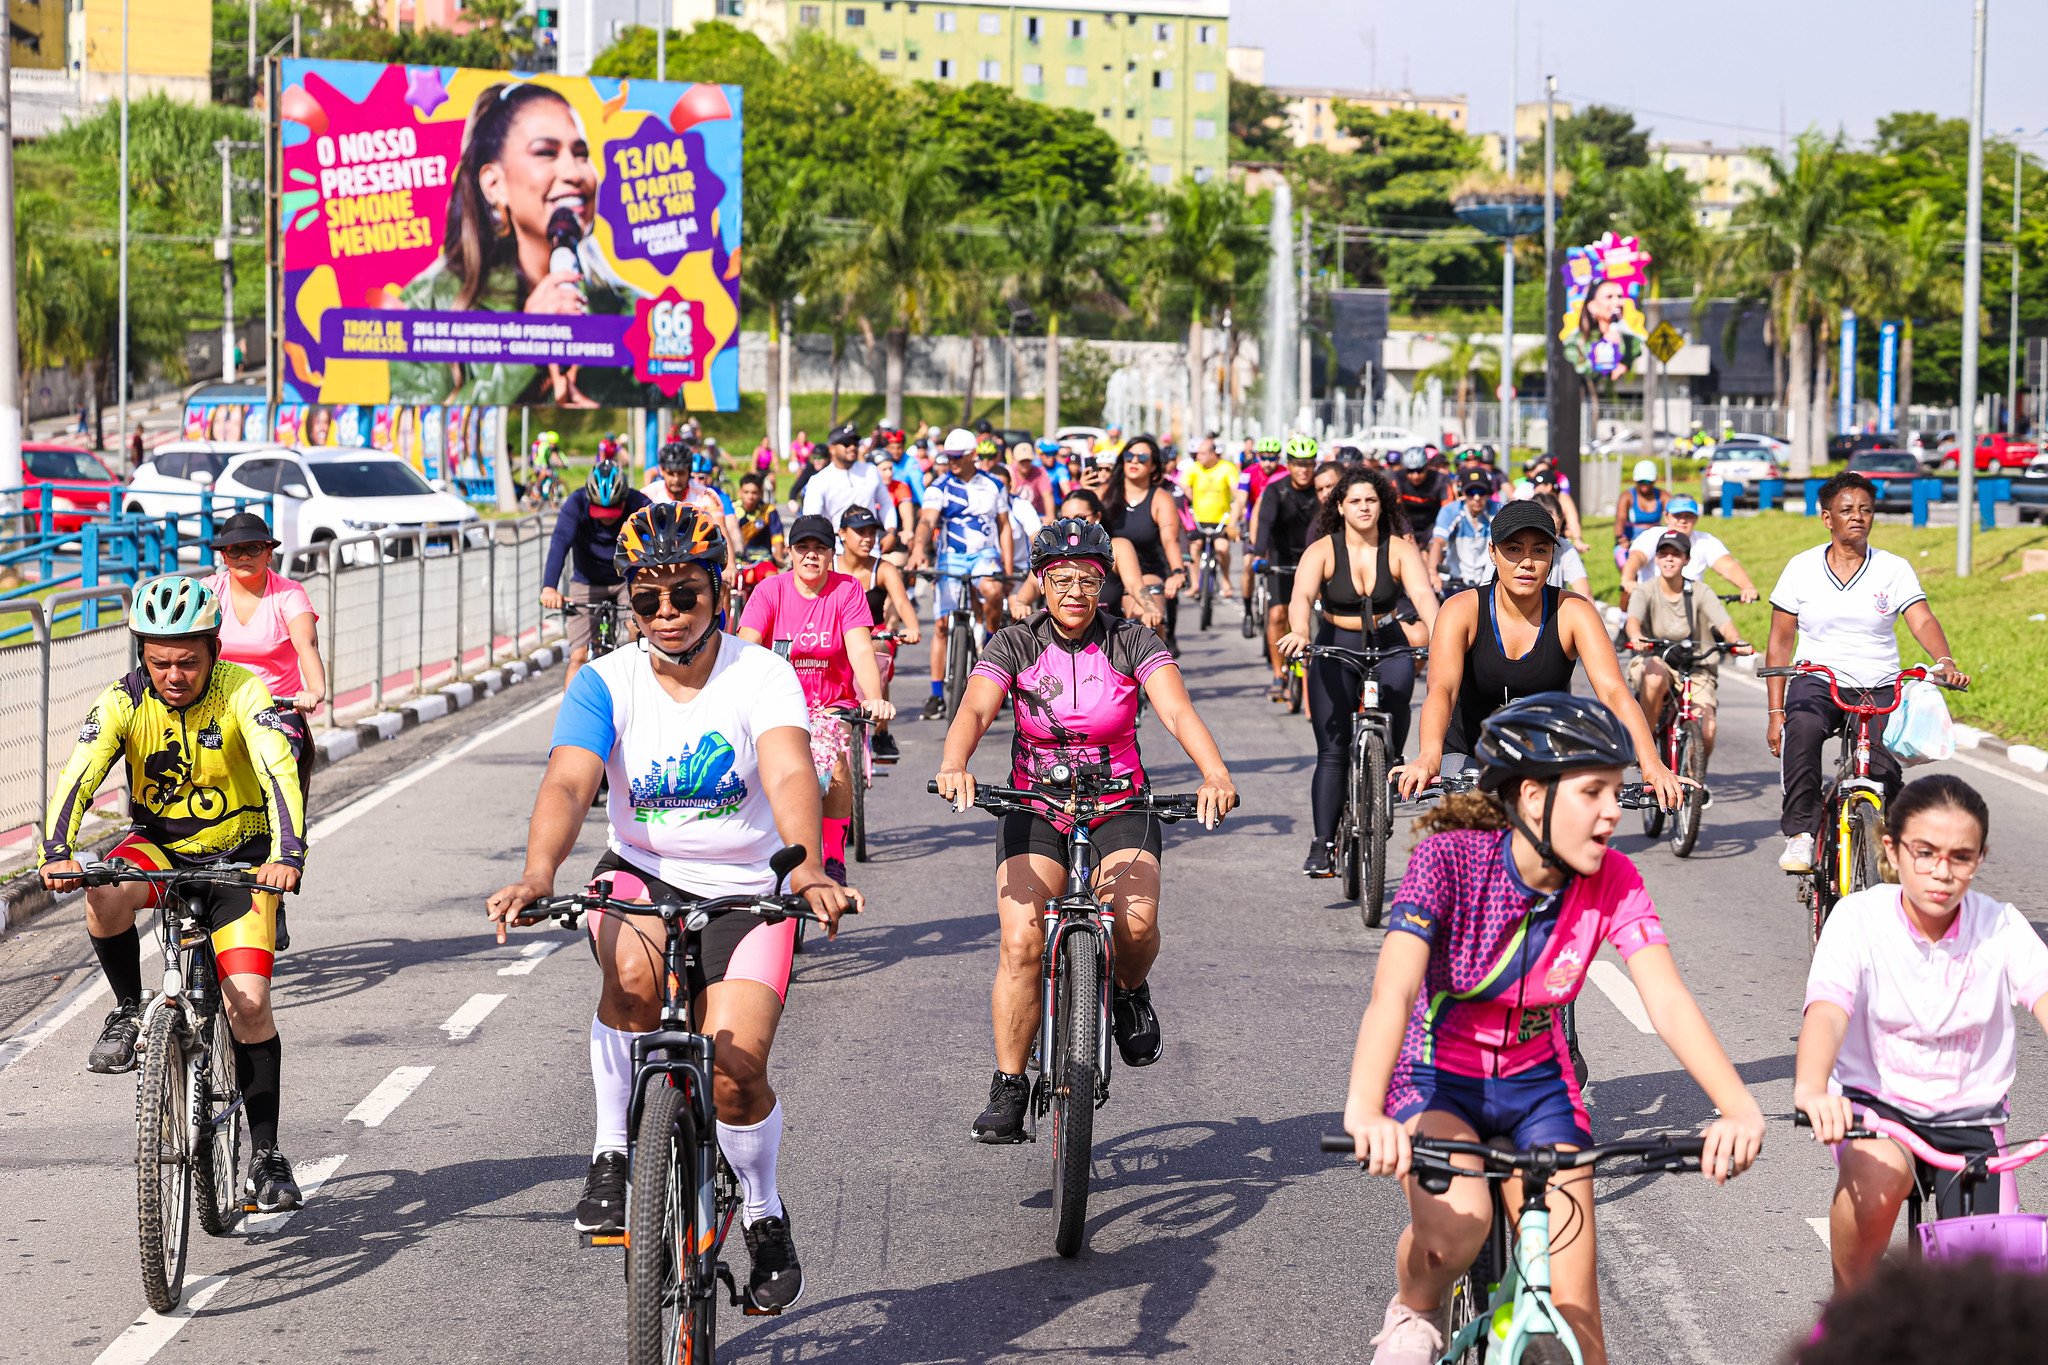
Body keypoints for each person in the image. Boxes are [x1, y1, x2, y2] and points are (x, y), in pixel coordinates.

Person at [486, 504, 859, 1311]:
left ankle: (762, 1211)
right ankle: (613, 1150)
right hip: (643, 876)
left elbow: (792, 773)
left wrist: (807, 868)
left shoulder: (761, 674)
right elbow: (568, 780)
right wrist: (537, 870)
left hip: (748, 891)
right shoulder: (605, 680)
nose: (664, 614)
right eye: (646, 599)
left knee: (736, 1074)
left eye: (683, 595)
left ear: (715, 592)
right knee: (630, 978)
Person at [1342, 694, 1764, 1365]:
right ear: (1532, 797)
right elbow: (1391, 992)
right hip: (1436, 1079)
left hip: (1540, 1087)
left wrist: (1739, 1106)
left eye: (1618, 792)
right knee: (1464, 1223)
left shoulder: (1615, 878)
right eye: (1594, 791)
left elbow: (1667, 998)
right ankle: (1415, 1309)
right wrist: (1366, 1110)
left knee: (1578, 1327)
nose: (1613, 811)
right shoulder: (1449, 862)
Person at [933, 519, 1237, 1141]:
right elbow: (977, 707)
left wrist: (1215, 774)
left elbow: (1176, 709)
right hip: (1034, 804)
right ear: (1042, 582)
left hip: (1120, 803)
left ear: (1106, 586)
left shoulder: (1132, 641)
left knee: (1135, 924)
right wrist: (953, 764)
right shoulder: (1014, 643)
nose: (1075, 590)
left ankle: (1128, 990)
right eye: (1062, 578)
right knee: (1020, 940)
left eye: (1089, 580)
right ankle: (1010, 1084)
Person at [40, 576, 308, 1210]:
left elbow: (277, 766)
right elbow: (80, 775)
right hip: (160, 847)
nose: (175, 674)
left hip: (242, 859)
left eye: (189, 660)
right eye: (159, 662)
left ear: (214, 648)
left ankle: (266, 1158)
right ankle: (131, 1010)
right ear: (142, 655)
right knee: (103, 890)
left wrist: (287, 854)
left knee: (248, 1006)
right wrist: (56, 850)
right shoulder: (122, 701)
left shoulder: (244, 691)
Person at [1792, 775, 2045, 1297]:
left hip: (1973, 1120)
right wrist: (1812, 1088)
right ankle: (1849, 1311)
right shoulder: (1859, 918)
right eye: (1924, 853)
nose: (1941, 872)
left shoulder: (2000, 925)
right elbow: (1828, 1008)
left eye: (1960, 857)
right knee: (1880, 1179)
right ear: (1893, 847)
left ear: (1979, 858)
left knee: (1992, 1283)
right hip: (1878, 1111)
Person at [1394, 499, 1686, 811]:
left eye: (1540, 550)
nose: (1527, 562)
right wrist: (1428, 756)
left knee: (1568, 838)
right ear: (1493, 553)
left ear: (1553, 557)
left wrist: (1653, 765)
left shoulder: (1574, 612)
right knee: (1462, 833)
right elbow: (1442, 688)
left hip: (1548, 750)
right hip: (1469, 752)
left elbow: (1614, 692)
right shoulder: (1461, 610)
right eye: (1514, 549)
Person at [388, 83, 666, 408]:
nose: (574, 172)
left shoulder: (638, 311)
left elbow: (665, 414)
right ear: (494, 184)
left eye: (581, 154)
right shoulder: (428, 303)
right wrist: (528, 343)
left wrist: (604, 416)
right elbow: (418, 425)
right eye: (546, 152)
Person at [1765, 472, 1967, 874]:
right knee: (1801, 732)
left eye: (1865, 510)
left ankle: (1882, 853)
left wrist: (1944, 660)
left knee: (1884, 772)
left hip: (1878, 685)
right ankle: (1801, 834)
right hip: (1817, 679)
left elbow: (1922, 619)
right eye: (1846, 510)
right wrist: (1775, 712)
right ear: (1827, 519)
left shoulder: (1893, 569)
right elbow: (1780, 640)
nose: (1857, 517)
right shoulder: (1801, 568)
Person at [1275, 468, 1439, 876]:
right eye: (1355, 501)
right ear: (1340, 507)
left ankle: (1388, 763)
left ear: (1382, 504)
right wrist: (1299, 631)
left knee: (1400, 697)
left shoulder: (1400, 548)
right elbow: (1302, 596)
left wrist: (1442, 639)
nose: (1364, 507)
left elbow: (1423, 595)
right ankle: (1323, 843)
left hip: (1389, 642)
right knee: (1332, 752)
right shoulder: (1323, 550)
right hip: (1335, 646)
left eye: (1371, 500)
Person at [739, 514, 899, 884]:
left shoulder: (846, 591)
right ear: (791, 553)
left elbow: (860, 650)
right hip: (775, 707)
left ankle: (832, 856)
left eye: (820, 548)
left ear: (832, 553)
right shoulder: (770, 591)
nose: (811, 555)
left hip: (830, 706)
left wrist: (874, 698)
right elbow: (745, 647)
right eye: (803, 548)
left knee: (837, 765)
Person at [204, 512, 326, 835]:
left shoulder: (288, 594)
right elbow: (184, 643)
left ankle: (285, 843)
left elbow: (307, 645)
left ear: (269, 552)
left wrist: (313, 690)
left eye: (254, 548)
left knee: (276, 767)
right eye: (235, 549)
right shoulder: (208, 593)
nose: (244, 556)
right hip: (218, 709)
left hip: (278, 710)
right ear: (223, 555)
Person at [907, 430, 1015, 721]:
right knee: (942, 625)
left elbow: (1004, 526)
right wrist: (919, 548)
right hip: (951, 557)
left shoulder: (994, 485)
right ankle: (936, 694)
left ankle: (991, 643)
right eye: (948, 457)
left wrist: (1006, 568)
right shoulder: (939, 486)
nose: (951, 461)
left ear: (972, 456)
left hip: (984, 555)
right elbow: (927, 519)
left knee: (993, 592)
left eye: (957, 457)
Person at [1623, 531, 1753, 764]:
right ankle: (1645, 744)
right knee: (1653, 675)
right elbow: (1633, 620)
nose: (1669, 559)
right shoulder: (1646, 590)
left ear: (1687, 560)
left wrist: (1738, 642)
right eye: (1663, 554)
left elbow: (1724, 624)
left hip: (1697, 666)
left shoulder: (1701, 591)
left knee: (1707, 730)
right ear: (1656, 559)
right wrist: (1636, 637)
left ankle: (1693, 780)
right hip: (1656, 660)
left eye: (1676, 554)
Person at [542, 462, 655, 690]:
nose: (607, 518)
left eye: (613, 509)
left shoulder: (640, 504)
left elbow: (657, 543)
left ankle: (638, 693)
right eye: (601, 511)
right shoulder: (575, 503)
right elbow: (560, 543)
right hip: (587, 580)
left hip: (627, 580)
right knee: (578, 657)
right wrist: (549, 587)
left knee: (640, 638)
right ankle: (571, 722)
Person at [835, 505, 920, 763]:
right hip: (836, 635)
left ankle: (881, 731)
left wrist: (912, 627)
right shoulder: (830, 565)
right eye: (860, 532)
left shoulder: (882, 569)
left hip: (874, 634)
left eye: (872, 532)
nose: (868, 538)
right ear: (841, 534)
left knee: (879, 653)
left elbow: (902, 602)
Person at [1007, 488, 1159, 631]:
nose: (1073, 525)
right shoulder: (1052, 550)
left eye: (1080, 518)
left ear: (1097, 517)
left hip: (1108, 637)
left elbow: (1134, 584)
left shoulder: (1118, 547)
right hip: (1059, 636)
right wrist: (1021, 603)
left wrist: (1150, 609)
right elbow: (1033, 584)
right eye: (1065, 519)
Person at [1250, 437, 1324, 701]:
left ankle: (1321, 667)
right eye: (1297, 464)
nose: (1303, 469)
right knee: (1277, 615)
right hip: (1281, 557)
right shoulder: (1276, 490)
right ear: (1288, 465)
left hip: (1314, 557)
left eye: (1308, 464)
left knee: (1323, 611)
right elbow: (1266, 524)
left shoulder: (1321, 490)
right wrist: (1259, 554)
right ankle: (1279, 674)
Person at [1102, 435, 1188, 654]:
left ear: (1153, 465)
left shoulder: (1160, 498)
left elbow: (1170, 540)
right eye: (1130, 456)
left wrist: (1178, 572)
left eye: (1143, 457)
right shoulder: (1104, 492)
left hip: (1147, 571)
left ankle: (1155, 674)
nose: (1135, 461)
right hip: (1108, 572)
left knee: (1145, 619)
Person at [1616, 495, 1760, 610]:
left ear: (1696, 519)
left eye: (1688, 516)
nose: (1683, 521)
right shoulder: (1652, 536)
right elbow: (1636, 558)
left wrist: (1747, 587)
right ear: (1666, 517)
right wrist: (1628, 580)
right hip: (1652, 605)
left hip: (1690, 606)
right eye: (1677, 516)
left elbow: (1727, 566)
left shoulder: (1706, 541)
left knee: (1718, 635)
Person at [800, 422, 897, 537]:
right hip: (836, 544)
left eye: (855, 443)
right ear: (832, 449)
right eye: (846, 444)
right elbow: (812, 520)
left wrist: (891, 531)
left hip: (870, 542)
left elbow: (885, 503)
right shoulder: (819, 480)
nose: (852, 447)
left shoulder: (871, 471)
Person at [1182, 436, 1239, 600]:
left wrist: (1238, 511)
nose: (1197, 456)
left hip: (1221, 521)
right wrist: (1190, 497)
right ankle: (1195, 584)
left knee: (1222, 548)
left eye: (1202, 453)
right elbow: (1183, 484)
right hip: (1199, 520)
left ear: (1213, 453)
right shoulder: (1195, 468)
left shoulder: (1227, 468)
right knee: (1194, 547)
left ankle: (1226, 580)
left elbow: (1236, 490)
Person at [1427, 472, 1497, 597]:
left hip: (1487, 582)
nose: (1476, 497)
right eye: (1471, 492)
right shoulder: (1450, 511)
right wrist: (1433, 573)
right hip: (1456, 581)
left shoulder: (1497, 510)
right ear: (1462, 492)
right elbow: (1438, 542)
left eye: (1481, 492)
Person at [1533, 493, 1592, 597]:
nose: (1551, 537)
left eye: (1556, 531)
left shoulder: (1564, 548)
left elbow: (1585, 594)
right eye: (1545, 531)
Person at [1614, 460, 1669, 568]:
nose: (1644, 485)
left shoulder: (1663, 496)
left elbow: (1672, 516)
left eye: (1648, 481)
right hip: (1631, 541)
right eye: (1641, 481)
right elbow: (1620, 519)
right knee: (1625, 562)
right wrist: (1620, 538)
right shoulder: (1627, 496)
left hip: (1656, 541)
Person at [1393, 447, 1450, 544]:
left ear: (1427, 465)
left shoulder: (1440, 479)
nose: (1415, 476)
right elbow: (1394, 508)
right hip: (1406, 525)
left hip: (1433, 525)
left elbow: (1448, 509)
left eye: (1419, 470)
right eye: (1410, 471)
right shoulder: (1397, 478)